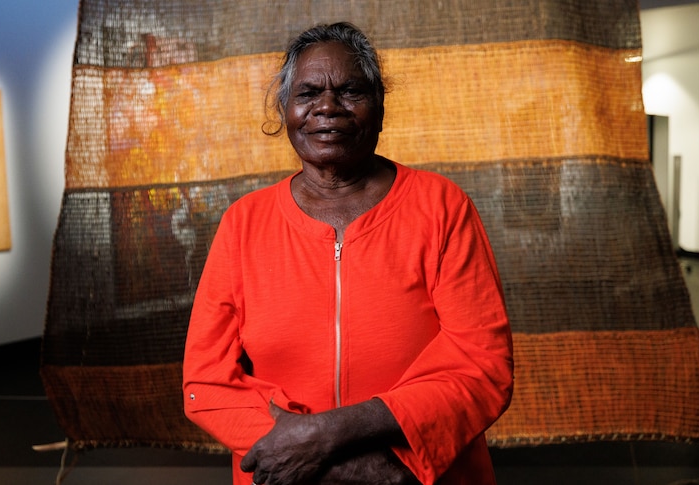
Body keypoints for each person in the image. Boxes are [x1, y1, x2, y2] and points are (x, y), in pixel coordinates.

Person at [183, 22, 513, 485]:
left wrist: (338, 441)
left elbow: (483, 363)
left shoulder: (442, 206)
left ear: (379, 108)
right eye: (309, 92)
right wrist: (325, 461)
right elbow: (206, 382)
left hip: (419, 474)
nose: (327, 108)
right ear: (284, 111)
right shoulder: (244, 223)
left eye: (350, 91)